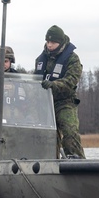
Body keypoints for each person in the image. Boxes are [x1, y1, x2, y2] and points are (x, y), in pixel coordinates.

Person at [35, 25, 85, 158]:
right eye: (48, 42)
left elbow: (71, 80)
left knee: (70, 132)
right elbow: (35, 81)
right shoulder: (41, 60)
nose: (49, 45)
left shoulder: (72, 59)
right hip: (45, 103)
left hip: (65, 101)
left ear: (61, 42)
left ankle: (79, 163)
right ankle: (51, 164)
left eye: (53, 42)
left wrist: (54, 85)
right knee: (47, 137)